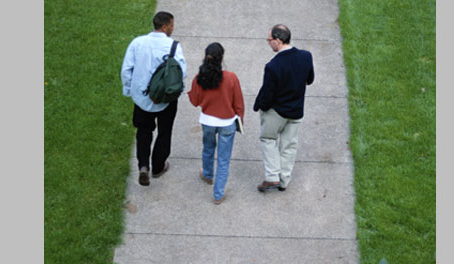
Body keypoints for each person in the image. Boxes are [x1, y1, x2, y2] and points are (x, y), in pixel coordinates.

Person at [121, 11, 187, 186]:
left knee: (143, 131)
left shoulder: (137, 43)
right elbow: (181, 72)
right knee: (164, 132)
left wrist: (130, 90)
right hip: (166, 100)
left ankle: (143, 166)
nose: (173, 28)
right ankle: (158, 166)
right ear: (165, 26)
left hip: (141, 99)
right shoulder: (174, 46)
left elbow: (127, 70)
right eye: (172, 25)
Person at [253, 24, 314, 192]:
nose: (268, 43)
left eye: (269, 40)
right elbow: (309, 80)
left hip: (276, 112)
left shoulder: (273, 66)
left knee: (268, 139)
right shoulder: (306, 56)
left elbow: (267, 94)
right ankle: (284, 180)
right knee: (289, 146)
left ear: (278, 40)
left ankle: (272, 176)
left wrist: (261, 107)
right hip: (296, 111)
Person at [188, 42, 244, 204]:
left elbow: (195, 101)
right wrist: (240, 119)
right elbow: (238, 103)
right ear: (222, 58)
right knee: (223, 159)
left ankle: (207, 174)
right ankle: (218, 194)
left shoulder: (199, 78)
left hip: (208, 122)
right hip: (227, 123)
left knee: (208, 148)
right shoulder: (231, 78)